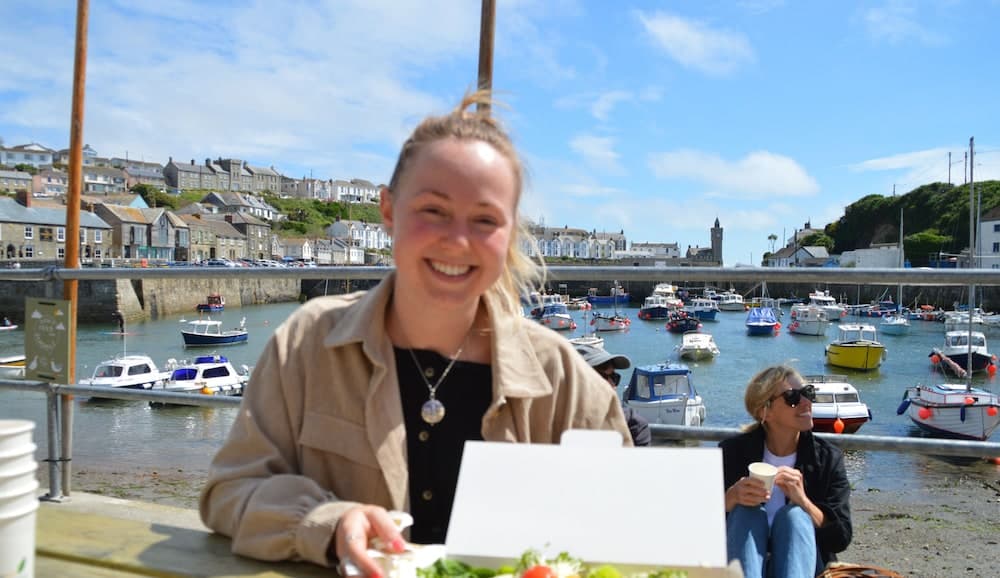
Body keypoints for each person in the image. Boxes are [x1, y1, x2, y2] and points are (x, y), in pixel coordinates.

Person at [199, 91, 632, 574]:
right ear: (388, 211)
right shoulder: (308, 341)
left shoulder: (564, 380)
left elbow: (626, 532)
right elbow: (230, 490)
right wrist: (328, 524)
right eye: (433, 210)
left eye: (485, 220)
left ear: (510, 234)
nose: (457, 241)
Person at [720, 366, 852, 577]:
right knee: (746, 513)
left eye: (807, 393)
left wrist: (804, 502)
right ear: (765, 411)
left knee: (795, 516)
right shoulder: (732, 453)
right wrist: (730, 498)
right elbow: (697, 525)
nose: (806, 402)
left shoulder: (827, 458)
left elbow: (841, 538)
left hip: (805, 567)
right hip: (742, 563)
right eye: (793, 397)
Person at [574, 343, 650, 446]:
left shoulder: (633, 425)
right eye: (600, 377)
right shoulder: (555, 422)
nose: (612, 385)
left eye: (614, 377)